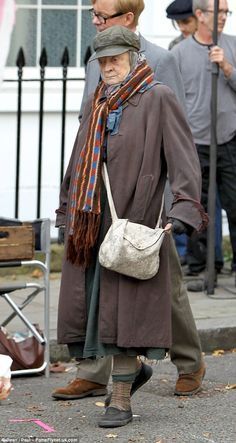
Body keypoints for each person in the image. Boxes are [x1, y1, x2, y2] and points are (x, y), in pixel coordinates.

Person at [52, 0, 206, 404]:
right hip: (97, 206)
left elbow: (178, 139)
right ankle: (101, 372)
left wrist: (180, 209)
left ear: (129, 23)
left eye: (103, 15)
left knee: (161, 286)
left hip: (145, 207)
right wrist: (69, 206)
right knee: (105, 290)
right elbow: (83, 143)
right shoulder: (99, 77)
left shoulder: (160, 72)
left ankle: (190, 362)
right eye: (102, 60)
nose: (106, 66)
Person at [171, 0, 236, 279]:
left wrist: (227, 68)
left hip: (230, 137)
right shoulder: (179, 53)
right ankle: (200, 268)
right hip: (195, 141)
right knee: (198, 207)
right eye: (217, 12)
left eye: (226, 12)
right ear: (199, 15)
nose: (222, 17)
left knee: (234, 205)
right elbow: (173, 98)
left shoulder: (233, 45)